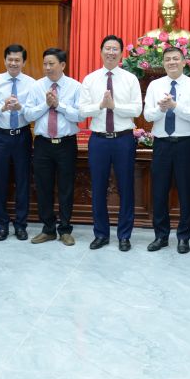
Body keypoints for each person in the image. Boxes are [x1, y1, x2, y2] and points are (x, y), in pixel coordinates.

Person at [79, 35, 142, 251]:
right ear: (101, 51)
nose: (111, 52)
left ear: (121, 53)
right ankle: (101, 234)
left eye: (115, 49)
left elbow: (137, 109)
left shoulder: (130, 79)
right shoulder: (90, 79)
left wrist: (114, 106)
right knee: (98, 188)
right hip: (98, 140)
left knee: (126, 188)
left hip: (123, 139)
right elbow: (82, 110)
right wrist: (100, 105)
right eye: (107, 48)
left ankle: (124, 236)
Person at [142, 45, 190, 253]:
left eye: (176, 58)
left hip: (185, 144)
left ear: (184, 61)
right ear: (163, 63)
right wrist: (161, 108)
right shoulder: (155, 85)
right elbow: (148, 116)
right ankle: (161, 236)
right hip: (162, 144)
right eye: (168, 59)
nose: (172, 62)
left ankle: (184, 237)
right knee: (159, 192)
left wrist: (175, 106)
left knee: (186, 192)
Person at [21, 48, 82, 245]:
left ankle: (65, 229)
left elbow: (80, 115)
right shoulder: (37, 86)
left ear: (62, 65)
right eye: (45, 64)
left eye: (51, 64)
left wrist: (59, 105)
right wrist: (46, 105)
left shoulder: (75, 86)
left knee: (66, 187)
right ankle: (48, 229)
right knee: (43, 187)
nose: (47, 67)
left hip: (66, 144)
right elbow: (28, 115)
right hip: (43, 144)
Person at [0, 44, 36, 242]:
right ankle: (1, 225)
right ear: (4, 60)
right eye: (10, 59)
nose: (13, 63)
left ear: (24, 62)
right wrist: (2, 108)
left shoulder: (31, 83)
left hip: (22, 135)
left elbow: (33, 113)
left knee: (23, 181)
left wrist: (20, 108)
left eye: (17, 60)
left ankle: (21, 225)